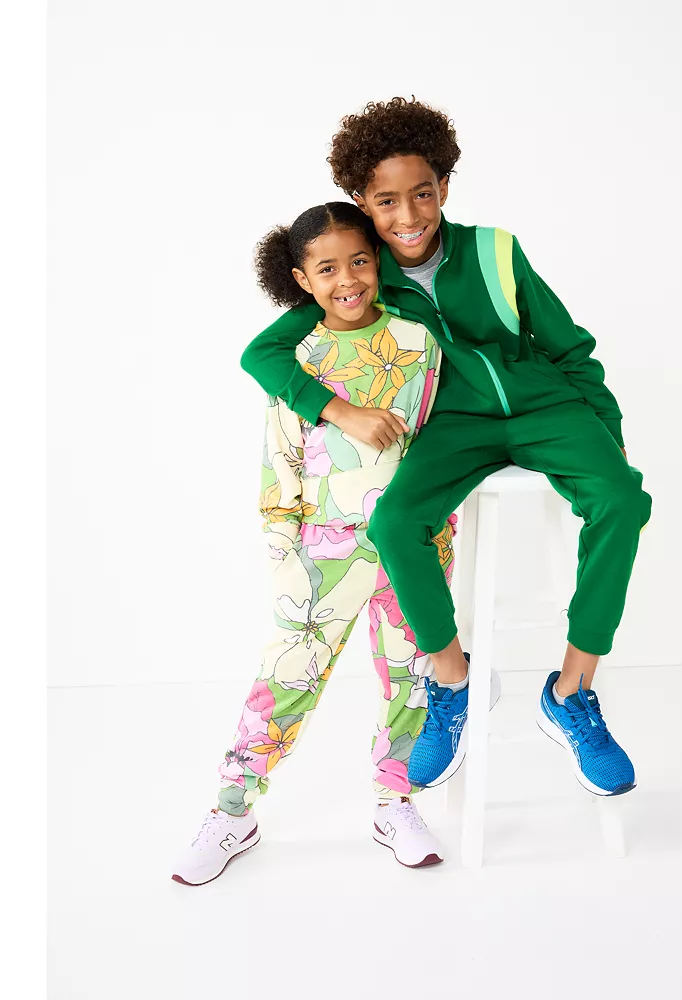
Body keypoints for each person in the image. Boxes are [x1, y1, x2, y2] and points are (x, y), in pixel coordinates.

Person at [239, 98, 652, 800]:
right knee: (396, 522)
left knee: (622, 499)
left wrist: (605, 438)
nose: (408, 215)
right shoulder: (363, 272)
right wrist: (340, 411)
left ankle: (572, 689)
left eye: (422, 194)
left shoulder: (495, 250)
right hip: (450, 424)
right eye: (386, 201)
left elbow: (569, 348)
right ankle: (452, 681)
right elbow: (263, 353)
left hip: (545, 405)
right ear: (363, 204)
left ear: (445, 188)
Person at [172, 202, 462, 886]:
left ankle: (396, 803)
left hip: (414, 546)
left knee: (411, 677)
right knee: (284, 680)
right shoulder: (296, 359)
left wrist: (441, 527)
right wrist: (284, 550)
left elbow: (442, 435)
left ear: (378, 261)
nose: (347, 280)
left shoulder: (420, 340)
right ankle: (232, 811)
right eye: (327, 269)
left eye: (359, 261)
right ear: (302, 280)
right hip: (322, 549)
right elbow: (280, 458)